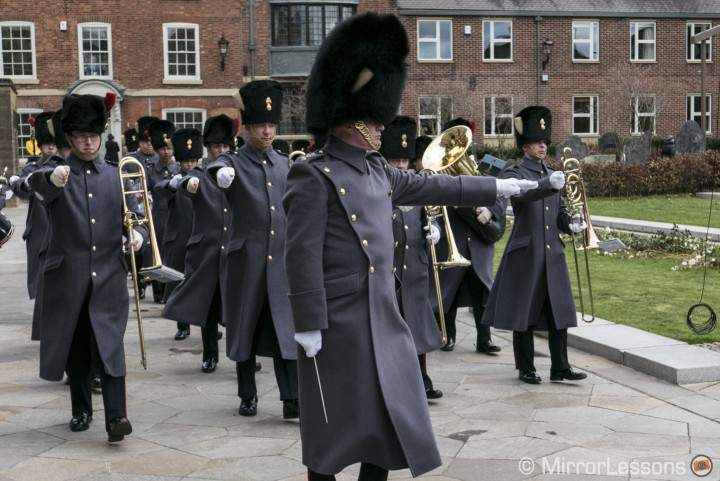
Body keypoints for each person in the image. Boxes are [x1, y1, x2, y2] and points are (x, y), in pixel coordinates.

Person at [283, 13, 537, 481]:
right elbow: (299, 255)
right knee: (331, 436)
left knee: (388, 428)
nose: (383, 128)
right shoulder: (313, 174)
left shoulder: (378, 169)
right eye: (374, 121)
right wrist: (308, 323)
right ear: (348, 120)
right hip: (337, 323)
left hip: (383, 313)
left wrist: (500, 188)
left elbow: (432, 187)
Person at [28, 93, 147, 442]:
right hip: (69, 276)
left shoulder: (118, 175)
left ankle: (117, 418)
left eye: (93, 135)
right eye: (81, 136)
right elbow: (32, 187)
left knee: (110, 345)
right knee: (78, 348)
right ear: (70, 137)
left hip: (109, 275)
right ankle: (81, 409)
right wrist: (50, 180)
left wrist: (137, 237)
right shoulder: (55, 173)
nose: (88, 141)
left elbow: (138, 218)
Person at [208, 80, 298, 419]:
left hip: (280, 259)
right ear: (248, 127)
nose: (267, 130)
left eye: (272, 125)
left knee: (283, 328)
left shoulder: (284, 162)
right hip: (246, 259)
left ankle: (292, 397)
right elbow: (216, 167)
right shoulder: (234, 160)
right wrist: (221, 174)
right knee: (244, 327)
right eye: (261, 125)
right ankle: (248, 394)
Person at [482, 106, 588, 385]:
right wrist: (547, 183)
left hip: (552, 252)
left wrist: (571, 223)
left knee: (559, 311)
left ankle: (560, 366)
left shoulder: (552, 173)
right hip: (526, 254)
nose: (543, 145)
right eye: (537, 141)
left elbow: (559, 211)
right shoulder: (513, 173)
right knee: (524, 313)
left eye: (545, 141)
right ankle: (526, 367)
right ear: (526, 144)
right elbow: (522, 196)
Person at [162, 115, 237, 373]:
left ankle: (244, 354)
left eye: (226, 146)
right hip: (207, 248)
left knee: (240, 304)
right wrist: (189, 184)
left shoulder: (240, 171)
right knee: (209, 304)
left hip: (235, 247)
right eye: (217, 146)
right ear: (208, 148)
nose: (222, 151)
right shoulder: (200, 172)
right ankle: (210, 355)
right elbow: (185, 182)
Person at [381, 115, 444, 400]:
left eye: (405, 160)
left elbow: (430, 212)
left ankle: (421, 378)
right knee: (392, 329)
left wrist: (435, 229)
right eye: (395, 160)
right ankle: (395, 379)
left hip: (416, 265)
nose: (401, 166)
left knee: (417, 323)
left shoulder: (417, 184)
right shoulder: (378, 188)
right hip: (389, 270)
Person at [430, 117, 505, 355]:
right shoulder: (437, 172)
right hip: (452, 240)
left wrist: (487, 211)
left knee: (482, 292)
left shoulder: (484, 169)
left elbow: (500, 198)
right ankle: (447, 335)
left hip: (479, 242)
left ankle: (485, 339)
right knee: (447, 291)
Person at [9, 111, 63, 301]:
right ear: (40, 144)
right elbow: (18, 187)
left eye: (54, 142)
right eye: (47, 142)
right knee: (40, 281)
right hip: (40, 227)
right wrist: (27, 183)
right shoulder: (31, 167)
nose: (51, 146)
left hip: (63, 227)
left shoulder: (66, 166)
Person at [155, 128, 201, 310]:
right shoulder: (173, 179)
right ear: (180, 162)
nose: (190, 165)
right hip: (179, 238)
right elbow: (160, 189)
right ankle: (182, 325)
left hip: (198, 237)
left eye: (193, 161)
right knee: (178, 283)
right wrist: (172, 185)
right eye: (186, 161)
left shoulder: (203, 178)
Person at [146, 119, 182, 309]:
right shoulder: (151, 170)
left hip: (176, 218)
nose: (166, 153)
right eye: (162, 149)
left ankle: (174, 290)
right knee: (157, 255)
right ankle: (158, 291)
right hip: (158, 219)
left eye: (169, 149)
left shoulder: (179, 169)